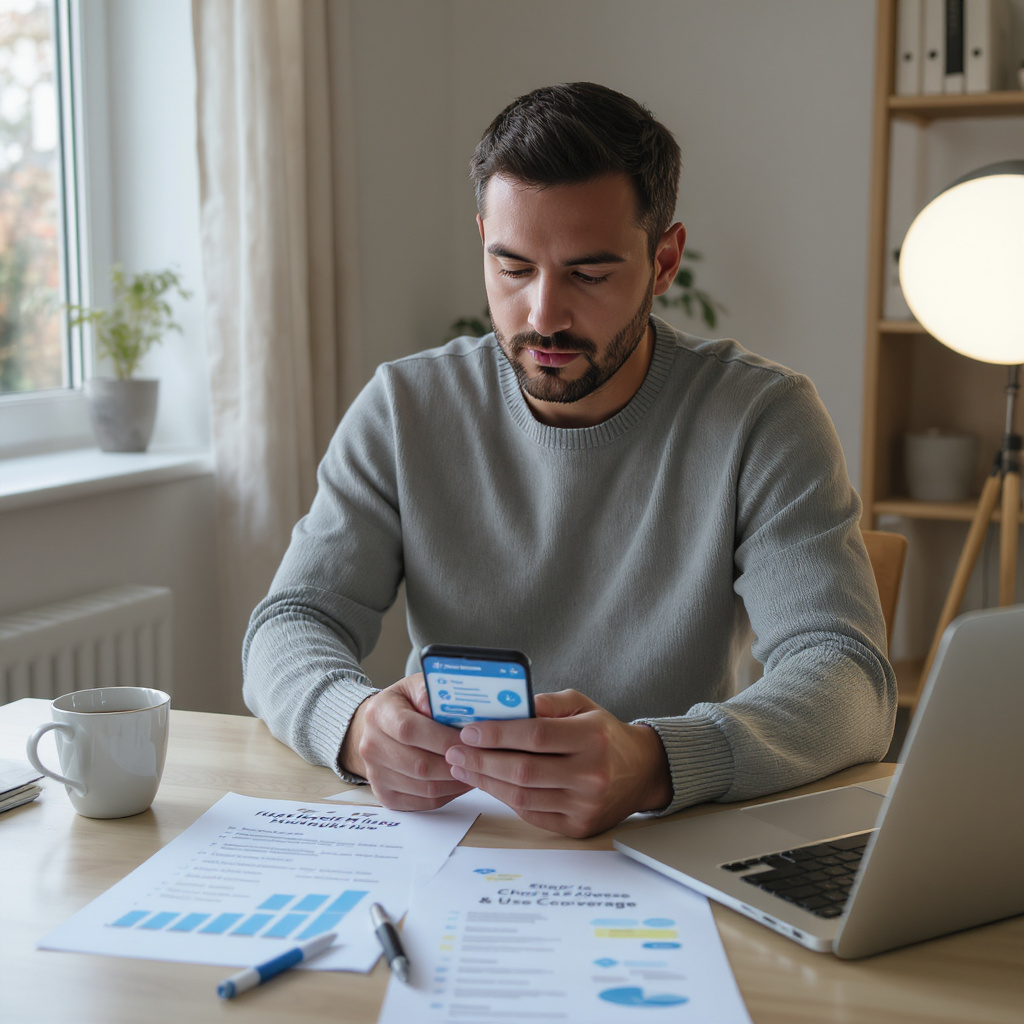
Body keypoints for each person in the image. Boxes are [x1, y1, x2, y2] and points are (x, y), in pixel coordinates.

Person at [242, 82, 896, 839]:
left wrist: (654, 762)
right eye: (513, 268)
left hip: (662, 837)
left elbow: (848, 678)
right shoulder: (404, 408)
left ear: (664, 261)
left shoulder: (762, 418)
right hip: (457, 834)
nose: (544, 315)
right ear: (483, 241)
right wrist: (355, 724)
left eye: (589, 274)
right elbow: (292, 621)